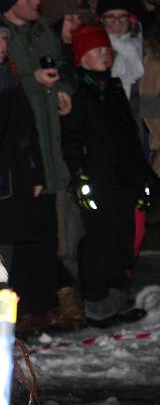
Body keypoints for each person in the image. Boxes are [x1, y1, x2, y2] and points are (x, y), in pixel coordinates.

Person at [0, 18, 64, 333]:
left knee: (10, 254)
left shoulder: (8, 76)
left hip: (14, 177)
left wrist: (36, 173)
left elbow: (27, 127)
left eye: (5, 39)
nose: (2, 45)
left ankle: (5, 319)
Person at [62, 26, 150, 327]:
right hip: (97, 179)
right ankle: (96, 301)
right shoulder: (77, 93)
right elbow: (72, 139)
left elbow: (129, 137)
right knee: (99, 240)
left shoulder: (113, 89)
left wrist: (143, 176)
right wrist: (81, 177)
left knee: (122, 239)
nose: (103, 55)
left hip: (122, 178)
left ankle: (114, 300)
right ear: (81, 57)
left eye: (105, 50)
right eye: (95, 50)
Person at [97, 0, 143, 107]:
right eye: (110, 16)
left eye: (122, 16)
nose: (117, 21)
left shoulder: (142, 46)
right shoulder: (93, 49)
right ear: (101, 20)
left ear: (130, 19)